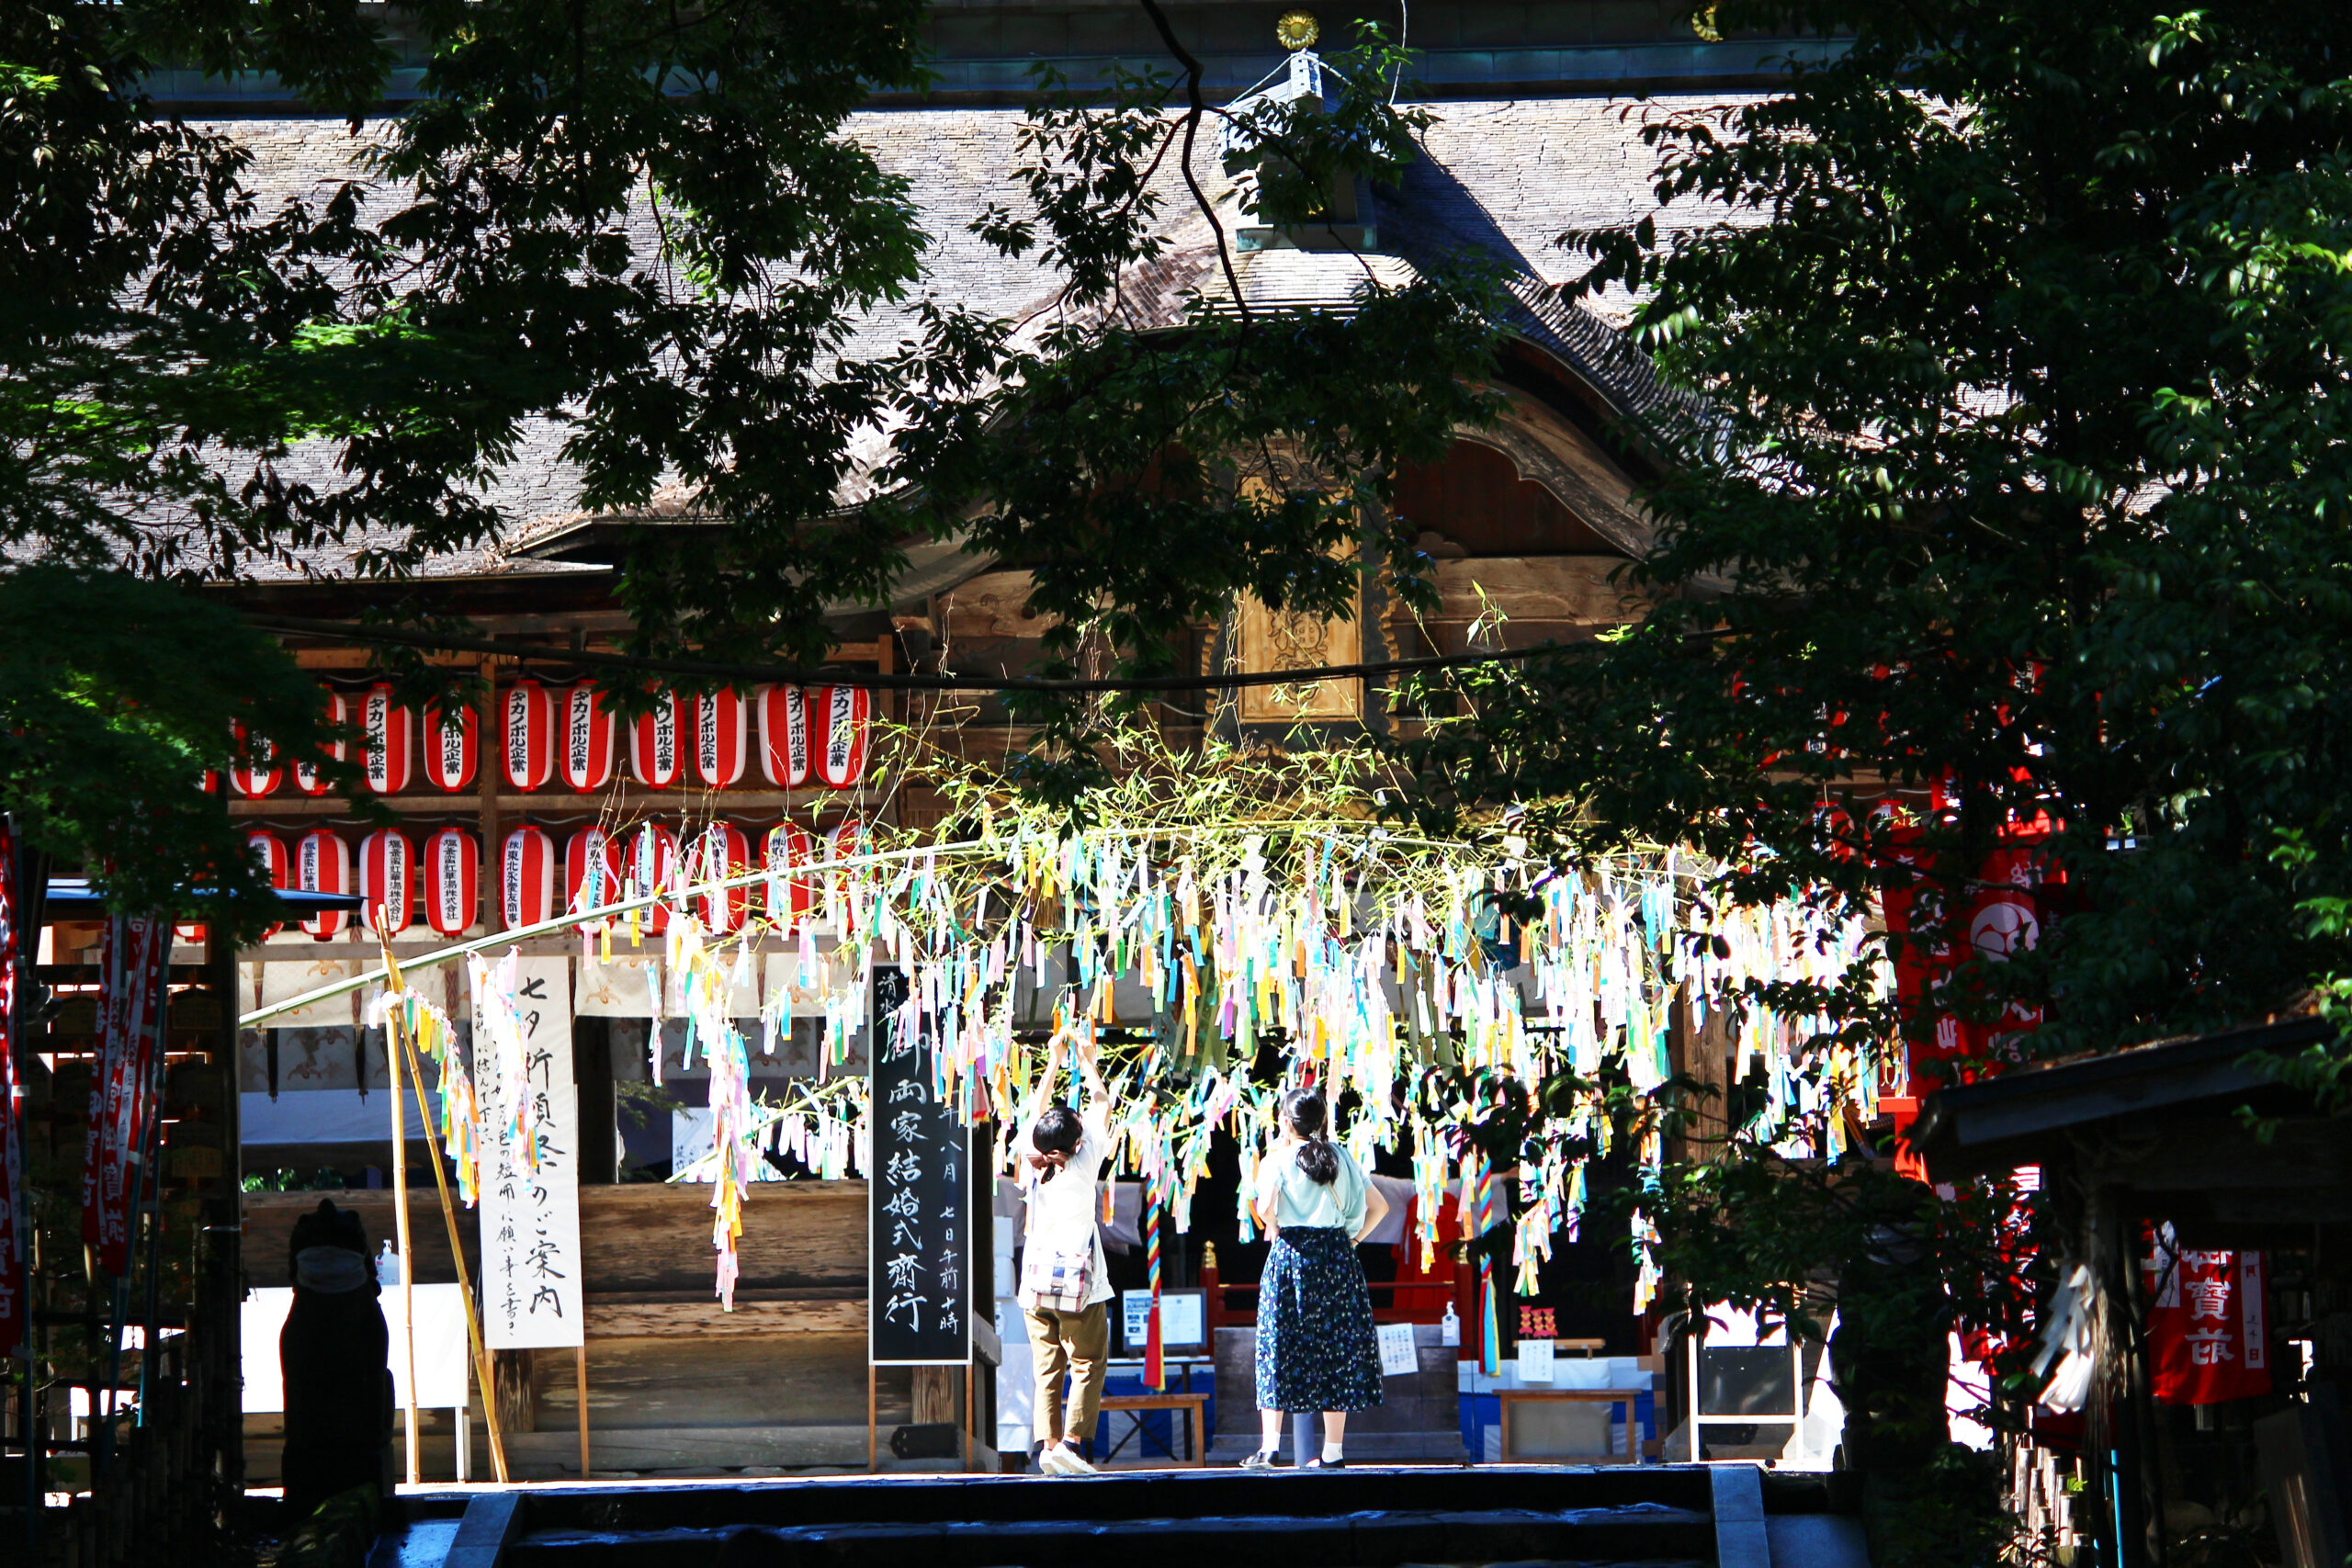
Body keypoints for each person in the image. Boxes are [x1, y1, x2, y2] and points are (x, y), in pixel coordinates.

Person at [1243, 1086, 1389, 1470]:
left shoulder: (1276, 1160)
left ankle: (1269, 1447)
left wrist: (1274, 1222)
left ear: (1286, 1122)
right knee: (1335, 1348)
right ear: (1322, 1121)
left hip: (1292, 1256)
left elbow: (1266, 1210)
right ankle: (1333, 1453)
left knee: (1278, 1345)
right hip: (1337, 1258)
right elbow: (1381, 1206)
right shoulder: (1342, 1157)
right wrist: (1354, 1239)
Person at [1016, 1029, 1115, 1475]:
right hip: (1078, 1283)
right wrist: (1088, 1059)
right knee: (1087, 1361)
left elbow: (1035, 1113)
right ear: (1075, 1144)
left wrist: (1054, 1061)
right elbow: (1102, 1103)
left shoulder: (1030, 1156)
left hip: (1035, 1284)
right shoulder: (1084, 1161)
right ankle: (1072, 1444)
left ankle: (1048, 1445)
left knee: (1046, 1368)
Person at [279, 1198, 391, 1518]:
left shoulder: (303, 1317)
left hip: (311, 1439)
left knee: (306, 1407)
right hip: (358, 1440)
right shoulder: (367, 1316)